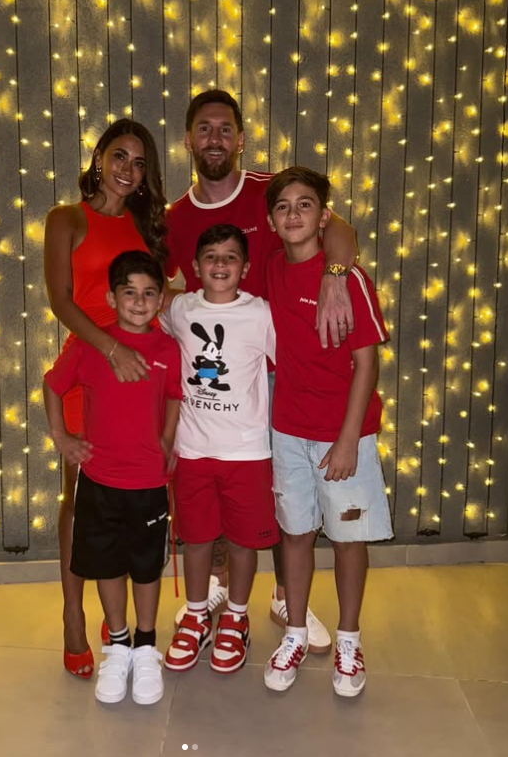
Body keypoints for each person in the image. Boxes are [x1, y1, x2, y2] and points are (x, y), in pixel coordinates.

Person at [165, 90, 358, 650]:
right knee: (219, 482)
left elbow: (338, 229)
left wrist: (336, 276)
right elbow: (162, 285)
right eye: (204, 128)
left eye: (226, 129)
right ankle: (219, 590)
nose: (215, 139)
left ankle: (282, 596)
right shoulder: (176, 218)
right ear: (188, 139)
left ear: (241, 138)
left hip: (279, 367)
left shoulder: (270, 192)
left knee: (272, 487)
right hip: (219, 377)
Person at [43, 119, 168, 678]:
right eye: (119, 156)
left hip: (138, 375)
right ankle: (73, 613)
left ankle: (118, 617)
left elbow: (160, 292)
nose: (127, 170)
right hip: (90, 364)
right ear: (98, 157)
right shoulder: (66, 219)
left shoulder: (147, 225)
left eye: (139, 163)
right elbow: (61, 300)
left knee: (132, 493)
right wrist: (110, 348)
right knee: (80, 494)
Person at [262, 167, 393, 697]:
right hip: (288, 430)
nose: (293, 214)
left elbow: (366, 365)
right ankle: (295, 632)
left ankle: (349, 640)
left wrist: (347, 440)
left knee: (346, 539)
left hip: (344, 435)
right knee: (295, 533)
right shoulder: (271, 269)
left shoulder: (348, 279)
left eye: (305, 205)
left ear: (323, 216)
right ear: (271, 221)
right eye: (283, 207)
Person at [43, 251, 181, 704]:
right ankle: (118, 645)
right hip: (100, 481)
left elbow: (175, 396)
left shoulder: (168, 349)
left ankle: (145, 646)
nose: (139, 302)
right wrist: (62, 437)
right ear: (111, 298)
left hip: (148, 482)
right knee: (107, 565)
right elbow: (53, 385)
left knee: (145, 567)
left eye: (148, 293)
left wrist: (167, 438)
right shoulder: (91, 346)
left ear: (160, 300)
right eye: (129, 293)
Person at [160, 224, 279, 674]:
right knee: (196, 538)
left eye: (231, 257)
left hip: (246, 453)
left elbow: (289, 362)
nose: (221, 264)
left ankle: (236, 617)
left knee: (245, 542)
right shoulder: (181, 308)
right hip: (192, 450)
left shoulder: (260, 314)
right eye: (211, 256)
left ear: (245, 268)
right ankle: (196, 616)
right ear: (195, 266)